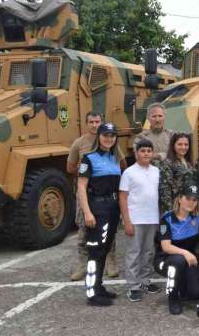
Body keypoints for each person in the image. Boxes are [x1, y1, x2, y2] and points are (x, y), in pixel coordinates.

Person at [67, 112, 125, 281]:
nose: (94, 124)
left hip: (108, 197)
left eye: (97, 121)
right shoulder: (79, 144)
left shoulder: (112, 148)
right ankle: (83, 264)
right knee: (84, 230)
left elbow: (121, 165)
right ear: (86, 124)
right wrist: (89, 172)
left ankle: (110, 261)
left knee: (109, 231)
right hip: (87, 194)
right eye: (91, 122)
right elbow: (70, 168)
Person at [155, 184, 199, 315]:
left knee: (195, 293)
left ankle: (182, 285)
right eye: (188, 198)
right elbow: (166, 247)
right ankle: (173, 297)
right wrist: (185, 252)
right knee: (178, 261)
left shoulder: (198, 215)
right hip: (165, 259)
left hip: (188, 260)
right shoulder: (167, 219)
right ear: (180, 199)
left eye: (194, 200)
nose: (191, 202)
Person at [76, 123, 122, 306]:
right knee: (95, 251)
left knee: (105, 248)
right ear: (99, 136)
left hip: (112, 208)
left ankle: (99, 286)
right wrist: (87, 212)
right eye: (105, 135)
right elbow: (81, 186)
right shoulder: (89, 158)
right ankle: (91, 293)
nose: (109, 138)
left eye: (112, 135)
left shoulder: (115, 158)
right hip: (97, 208)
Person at [119, 139, 161, 302]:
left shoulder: (156, 171)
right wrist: (127, 222)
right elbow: (123, 198)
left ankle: (145, 281)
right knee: (134, 253)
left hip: (151, 218)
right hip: (135, 219)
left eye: (148, 151)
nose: (145, 154)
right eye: (142, 151)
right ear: (136, 153)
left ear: (152, 153)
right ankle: (133, 286)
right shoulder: (129, 172)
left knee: (148, 252)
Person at [157, 132, 197, 214]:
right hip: (175, 207)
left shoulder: (189, 163)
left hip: (190, 206)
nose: (183, 147)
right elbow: (165, 190)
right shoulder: (167, 163)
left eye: (186, 144)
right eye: (180, 144)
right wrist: (169, 212)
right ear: (173, 145)